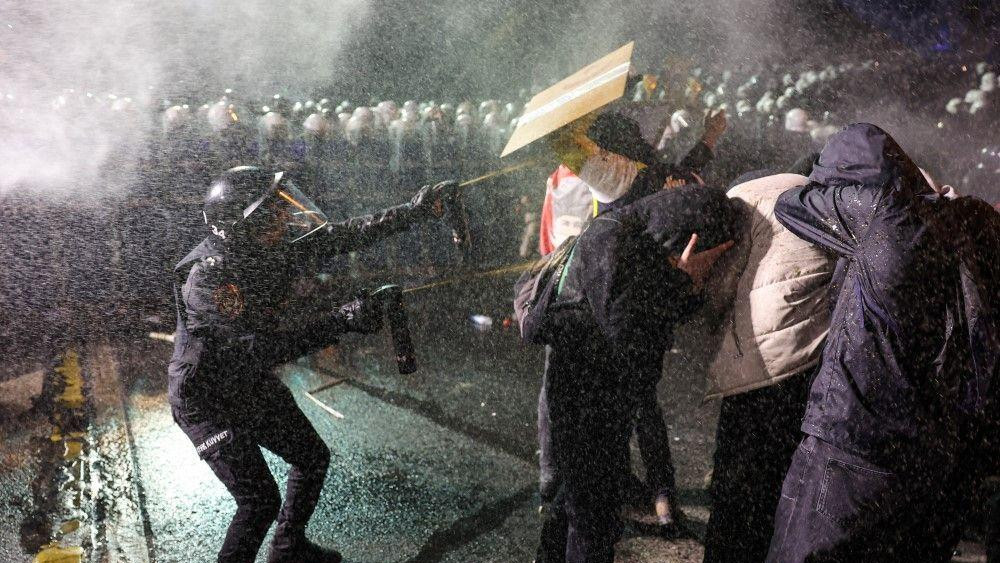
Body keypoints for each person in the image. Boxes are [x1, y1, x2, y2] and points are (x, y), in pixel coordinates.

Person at [168, 166, 458, 563]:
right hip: (207, 400)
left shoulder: (265, 250)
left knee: (311, 456)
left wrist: (415, 211)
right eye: (271, 212)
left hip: (245, 381)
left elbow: (344, 235)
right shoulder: (207, 278)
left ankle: (288, 547)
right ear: (240, 227)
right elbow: (263, 349)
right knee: (258, 502)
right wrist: (343, 321)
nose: (284, 216)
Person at [765, 123, 1000, 563]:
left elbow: (791, 204)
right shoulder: (974, 227)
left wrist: (861, 187)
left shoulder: (883, 210)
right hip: (931, 461)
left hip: (853, 442)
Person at [532, 110, 738, 563]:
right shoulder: (665, 179)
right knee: (637, 408)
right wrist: (709, 138)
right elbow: (688, 167)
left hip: (596, 323)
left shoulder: (617, 180)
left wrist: (575, 122)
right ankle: (654, 495)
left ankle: (563, 489)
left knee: (582, 467)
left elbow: (562, 145)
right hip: (642, 319)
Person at [701, 160, 834, 563]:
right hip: (806, 363)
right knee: (780, 487)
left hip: (753, 363)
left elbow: (720, 287)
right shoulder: (830, 201)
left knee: (734, 492)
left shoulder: (742, 198)